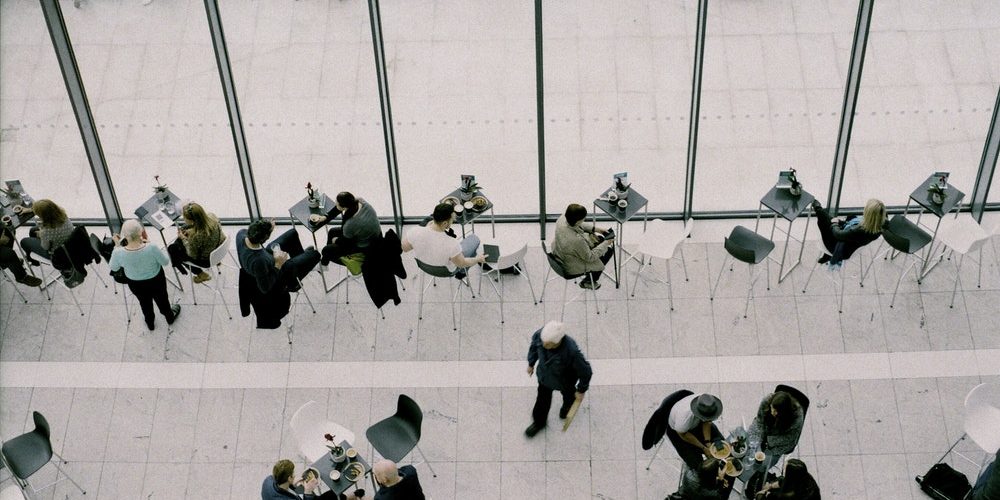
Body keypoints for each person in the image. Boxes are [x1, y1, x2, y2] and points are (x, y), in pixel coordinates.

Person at [524, 320, 593, 437]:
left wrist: (581, 390)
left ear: (558, 342)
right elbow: (534, 347)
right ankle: (539, 422)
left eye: (548, 344)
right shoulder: (541, 336)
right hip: (545, 378)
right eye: (543, 342)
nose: (544, 345)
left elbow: (586, 371)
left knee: (569, 397)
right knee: (542, 401)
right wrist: (531, 363)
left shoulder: (571, 352)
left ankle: (566, 409)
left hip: (565, 381)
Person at [109, 219, 180, 331]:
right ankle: (169, 316)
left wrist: (117, 246)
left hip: (135, 283)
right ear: (140, 232)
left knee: (144, 303)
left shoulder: (119, 252)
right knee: (162, 300)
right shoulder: (151, 247)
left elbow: (114, 267)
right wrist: (149, 244)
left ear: (124, 236)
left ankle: (150, 323)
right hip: (156, 280)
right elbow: (165, 262)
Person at [400, 203, 486, 278]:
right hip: (445, 272)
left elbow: (404, 248)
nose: (453, 221)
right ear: (445, 223)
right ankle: (462, 272)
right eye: (452, 219)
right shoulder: (452, 243)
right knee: (474, 239)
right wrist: (478, 259)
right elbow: (461, 263)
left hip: (423, 266)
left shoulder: (415, 231)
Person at [237, 219, 320, 294]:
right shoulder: (259, 261)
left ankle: (301, 262)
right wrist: (278, 264)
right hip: (277, 275)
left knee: (292, 233)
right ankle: (292, 284)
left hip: (267, 257)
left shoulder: (241, 233)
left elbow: (256, 240)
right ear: (265, 237)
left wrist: (268, 228)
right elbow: (265, 288)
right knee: (315, 255)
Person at [551, 203, 614, 289]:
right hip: (569, 265)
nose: (584, 220)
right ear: (577, 221)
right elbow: (590, 257)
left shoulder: (562, 219)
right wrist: (606, 243)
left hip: (559, 251)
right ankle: (588, 281)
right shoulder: (577, 240)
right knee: (609, 251)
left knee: (599, 240)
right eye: (583, 219)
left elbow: (579, 225)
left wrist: (596, 229)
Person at [811, 198, 885, 267]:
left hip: (841, 250)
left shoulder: (860, 230)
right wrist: (840, 222)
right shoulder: (879, 226)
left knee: (823, 220)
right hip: (851, 245)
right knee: (846, 217)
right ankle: (826, 256)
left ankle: (817, 207)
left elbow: (838, 234)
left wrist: (835, 224)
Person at [320, 192, 382, 268]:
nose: (335, 205)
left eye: (337, 204)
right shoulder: (360, 201)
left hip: (366, 247)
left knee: (326, 250)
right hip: (375, 237)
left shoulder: (350, 224)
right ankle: (324, 263)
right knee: (332, 231)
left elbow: (346, 243)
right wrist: (326, 216)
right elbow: (339, 208)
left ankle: (327, 262)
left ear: (344, 208)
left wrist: (336, 240)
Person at [166, 201, 222, 283]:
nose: (183, 219)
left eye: (185, 218)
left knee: (174, 250)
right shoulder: (212, 216)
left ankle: (200, 274)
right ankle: (217, 262)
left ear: (192, 220)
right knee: (179, 238)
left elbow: (192, 255)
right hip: (218, 248)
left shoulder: (196, 236)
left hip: (206, 260)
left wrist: (183, 238)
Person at [747, 391, 805, 458]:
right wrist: (758, 440)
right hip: (768, 427)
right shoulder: (767, 401)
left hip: (781, 438)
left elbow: (789, 438)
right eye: (772, 408)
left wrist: (769, 441)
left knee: (767, 457)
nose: (772, 412)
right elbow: (760, 421)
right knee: (751, 442)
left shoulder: (797, 416)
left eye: (776, 411)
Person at [669, 393, 724, 461]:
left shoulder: (707, 403)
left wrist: (708, 442)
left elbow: (707, 422)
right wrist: (704, 448)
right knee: (695, 461)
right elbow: (684, 435)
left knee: (721, 442)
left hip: (696, 422)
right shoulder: (683, 418)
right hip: (681, 432)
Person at [18, 199, 75, 264]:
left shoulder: (46, 232)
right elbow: (47, 210)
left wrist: (41, 235)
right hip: (69, 245)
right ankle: (31, 255)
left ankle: (32, 260)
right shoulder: (63, 215)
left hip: (57, 255)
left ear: (43, 216)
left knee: (24, 241)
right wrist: (31, 210)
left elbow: (45, 247)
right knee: (33, 230)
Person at [261, 459, 340, 500]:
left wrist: (292, 484)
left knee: (330, 495)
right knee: (332, 496)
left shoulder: (268, 480)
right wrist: (308, 492)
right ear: (289, 478)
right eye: (293, 474)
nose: (295, 475)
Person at [753, 458, 820, 500]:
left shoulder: (787, 496)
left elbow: (759, 496)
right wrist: (770, 486)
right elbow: (784, 481)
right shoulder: (806, 478)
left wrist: (764, 491)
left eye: (785, 471)